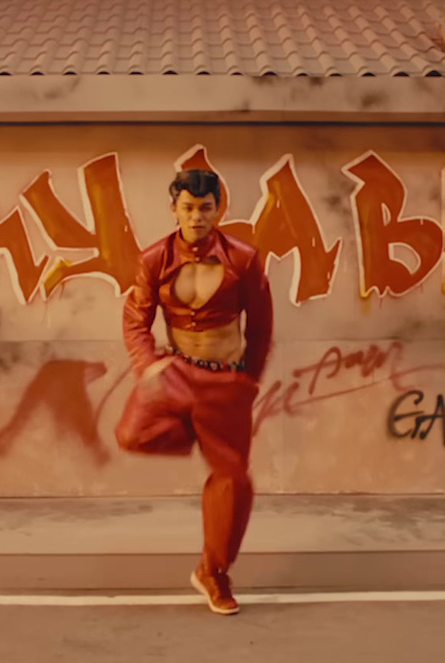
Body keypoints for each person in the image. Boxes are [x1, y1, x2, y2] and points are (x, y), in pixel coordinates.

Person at [117, 168, 274, 616]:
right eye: (188, 208)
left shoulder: (242, 259)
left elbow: (262, 326)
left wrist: (249, 380)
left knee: (234, 481)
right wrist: (149, 366)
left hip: (225, 382)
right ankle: (195, 433)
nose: (197, 217)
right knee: (132, 435)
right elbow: (135, 321)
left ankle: (214, 571)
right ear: (174, 210)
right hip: (176, 375)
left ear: (217, 209)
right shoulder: (154, 259)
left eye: (206, 208)